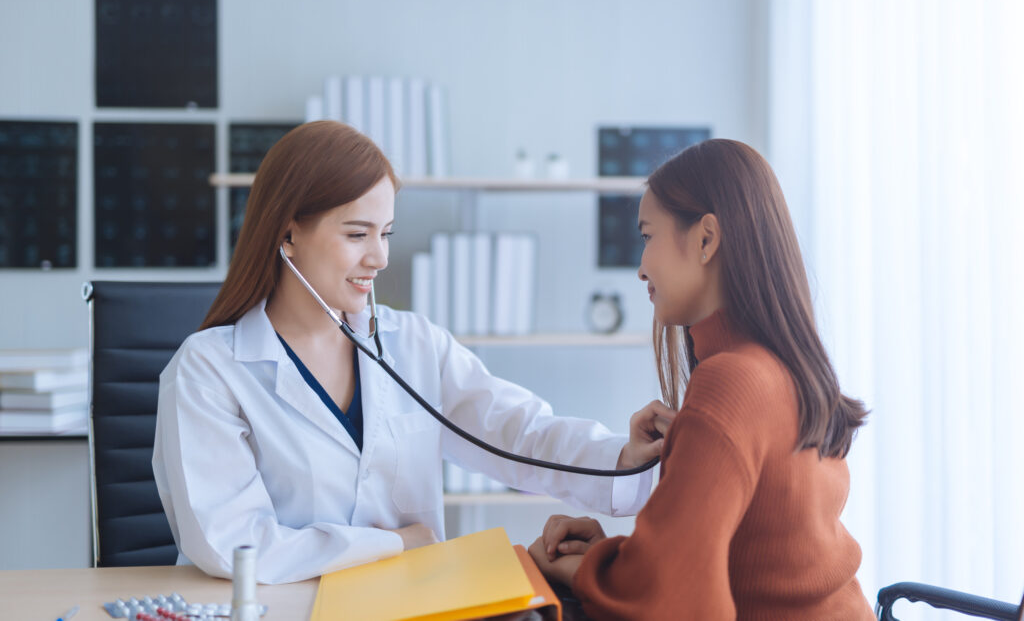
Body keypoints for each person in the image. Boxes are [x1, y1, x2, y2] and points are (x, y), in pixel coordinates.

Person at [152, 121, 674, 584]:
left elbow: (518, 432)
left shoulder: (414, 345)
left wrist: (621, 460)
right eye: (357, 233)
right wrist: (398, 543)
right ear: (288, 231)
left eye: (385, 233)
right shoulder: (209, 370)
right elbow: (236, 546)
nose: (378, 257)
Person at [528, 139, 874, 619]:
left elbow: (679, 601)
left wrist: (581, 570)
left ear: (707, 239)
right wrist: (627, 557)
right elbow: (745, 562)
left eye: (647, 236)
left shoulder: (731, 382)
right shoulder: (782, 367)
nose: (641, 267)